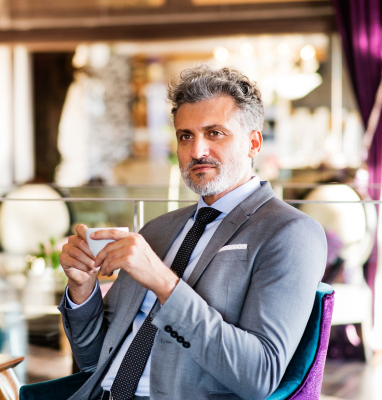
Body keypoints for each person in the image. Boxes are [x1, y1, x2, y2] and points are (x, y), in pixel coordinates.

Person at [57, 65, 327, 400]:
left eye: (215, 133)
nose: (197, 151)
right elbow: (92, 360)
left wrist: (163, 283)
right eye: (185, 136)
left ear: (253, 143)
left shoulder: (290, 232)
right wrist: (82, 288)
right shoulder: (157, 230)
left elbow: (259, 376)